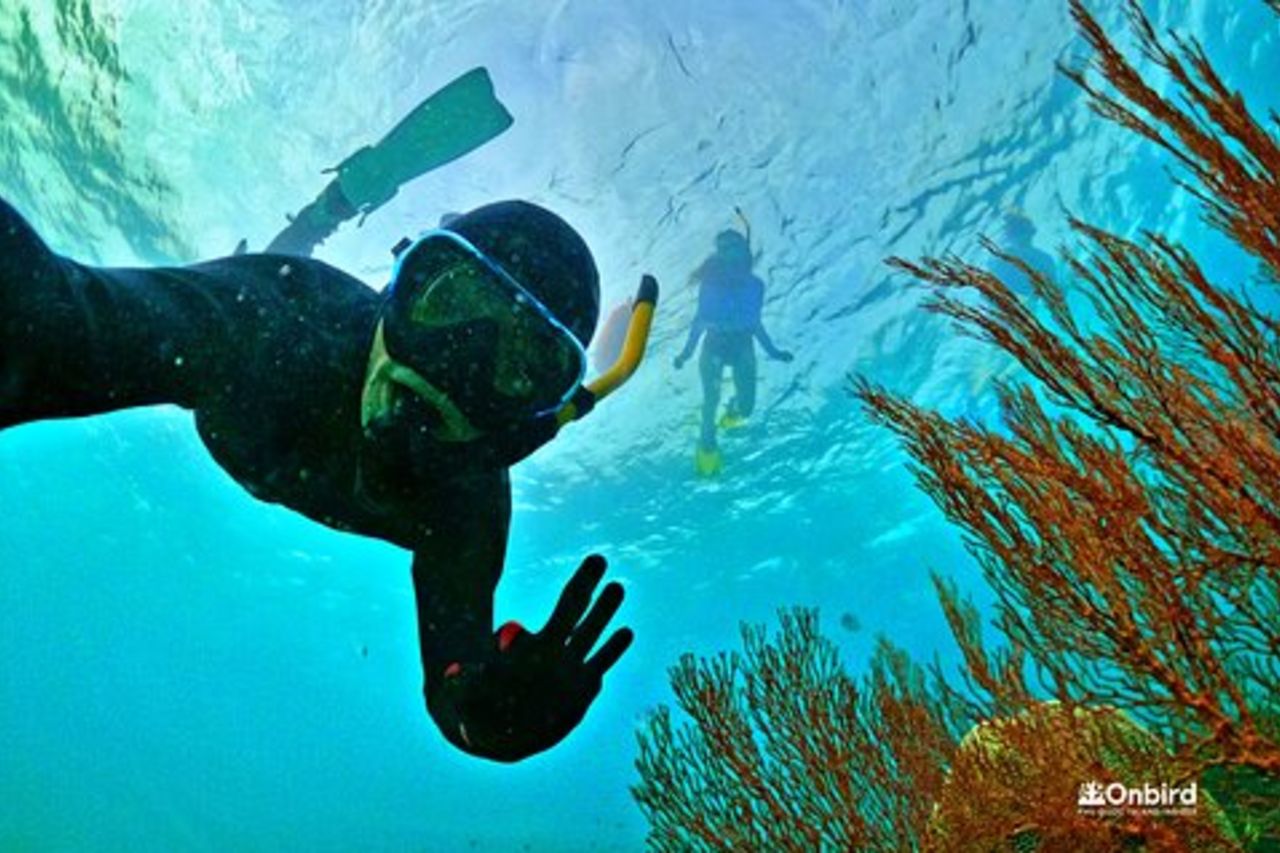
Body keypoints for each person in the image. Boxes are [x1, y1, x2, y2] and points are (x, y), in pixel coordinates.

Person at [0, 192, 660, 763]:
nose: (456, 364)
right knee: (276, 260)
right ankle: (319, 218)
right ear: (402, 289)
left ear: (528, 413)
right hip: (276, 320)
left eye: (519, 362)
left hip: (265, 424)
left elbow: (457, 684)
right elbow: (62, 316)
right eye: (450, 299)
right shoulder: (272, 320)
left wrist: (489, 721)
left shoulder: (467, 497)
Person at [672, 228, 791, 476]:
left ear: (746, 251)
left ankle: (733, 410)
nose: (731, 254)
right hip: (714, 345)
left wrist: (774, 352)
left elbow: (755, 323)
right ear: (720, 256)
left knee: (747, 408)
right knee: (710, 401)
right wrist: (686, 354)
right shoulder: (710, 284)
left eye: (735, 247)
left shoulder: (756, 286)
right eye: (724, 249)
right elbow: (699, 323)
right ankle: (707, 445)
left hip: (742, 345)